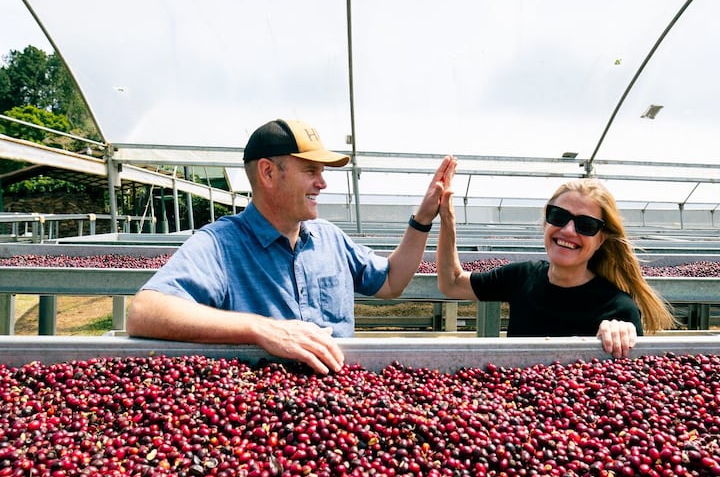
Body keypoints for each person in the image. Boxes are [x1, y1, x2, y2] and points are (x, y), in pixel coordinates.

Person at [126, 118, 456, 374]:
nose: (323, 182)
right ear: (268, 173)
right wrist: (262, 330)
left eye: (323, 171)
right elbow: (145, 312)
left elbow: (390, 281)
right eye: (310, 170)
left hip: (340, 410)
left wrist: (424, 217)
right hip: (266, 416)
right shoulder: (220, 245)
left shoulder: (329, 238)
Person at [436, 170, 676, 357]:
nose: (568, 230)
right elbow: (452, 283)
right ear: (546, 222)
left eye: (586, 225)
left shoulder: (619, 308)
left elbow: (631, 385)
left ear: (600, 239)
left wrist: (623, 335)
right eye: (559, 216)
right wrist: (447, 219)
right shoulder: (522, 277)